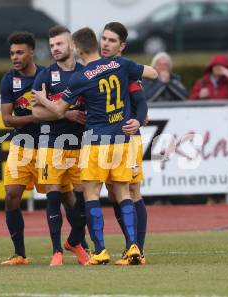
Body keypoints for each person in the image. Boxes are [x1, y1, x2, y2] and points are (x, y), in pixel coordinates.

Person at [32, 27, 157, 265]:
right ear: (97, 45)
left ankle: (100, 250)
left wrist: (43, 99)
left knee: (91, 194)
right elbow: (152, 73)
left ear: (77, 49)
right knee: (123, 193)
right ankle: (133, 248)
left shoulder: (81, 77)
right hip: (122, 139)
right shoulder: (121, 64)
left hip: (96, 141)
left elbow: (59, 110)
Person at [31, 25, 90, 266]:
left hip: (81, 146)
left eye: (59, 44)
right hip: (52, 145)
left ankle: (75, 240)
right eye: (52, 45)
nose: (55, 49)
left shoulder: (86, 73)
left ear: (72, 46)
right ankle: (57, 250)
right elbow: (35, 111)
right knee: (53, 196)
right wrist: (66, 114)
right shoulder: (45, 75)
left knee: (84, 199)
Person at [100, 21, 148, 265]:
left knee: (132, 191)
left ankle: (137, 248)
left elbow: (141, 104)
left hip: (128, 140)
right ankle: (131, 245)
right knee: (113, 193)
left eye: (111, 40)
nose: (105, 43)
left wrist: (138, 121)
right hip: (106, 141)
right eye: (104, 38)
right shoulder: (97, 70)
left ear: (122, 46)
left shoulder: (126, 70)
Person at [0, 32, 44, 265]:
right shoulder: (9, 80)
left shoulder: (46, 75)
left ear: (31, 52)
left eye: (19, 52)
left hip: (49, 145)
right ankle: (20, 254)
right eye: (12, 53)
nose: (15, 57)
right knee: (11, 196)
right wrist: (37, 117)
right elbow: (7, 120)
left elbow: (58, 111)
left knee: (66, 196)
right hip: (22, 145)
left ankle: (80, 244)